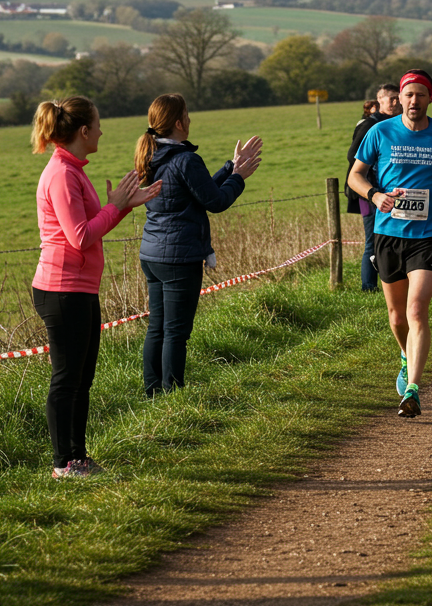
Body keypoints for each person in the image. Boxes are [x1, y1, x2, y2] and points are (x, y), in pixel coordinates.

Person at [31, 96, 162, 478]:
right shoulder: (61, 174)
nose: (103, 130)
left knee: (81, 379)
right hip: (61, 290)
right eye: (99, 124)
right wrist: (115, 205)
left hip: (81, 289)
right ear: (84, 131)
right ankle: (63, 464)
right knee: (67, 378)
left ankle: (78, 457)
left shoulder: (73, 169)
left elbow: (92, 227)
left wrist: (122, 207)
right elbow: (79, 236)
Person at [348, 69, 432, 418]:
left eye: (421, 95)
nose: (414, 101)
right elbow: (355, 175)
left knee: (416, 310)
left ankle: (413, 389)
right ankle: (405, 354)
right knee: (397, 316)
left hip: (429, 235)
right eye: (408, 95)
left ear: (431, 98)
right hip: (388, 235)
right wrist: (376, 195)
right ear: (399, 98)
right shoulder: (379, 132)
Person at [135, 94, 262, 397]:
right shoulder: (186, 159)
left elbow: (197, 190)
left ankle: (153, 393)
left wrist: (231, 166)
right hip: (180, 257)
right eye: (188, 115)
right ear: (179, 122)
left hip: (152, 254)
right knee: (176, 332)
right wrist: (239, 177)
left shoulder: (153, 156)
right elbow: (215, 201)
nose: (190, 120)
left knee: (157, 328)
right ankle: (172, 396)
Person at [347, 84, 402, 291]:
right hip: (366, 193)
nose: (396, 102)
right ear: (380, 101)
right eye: (391, 99)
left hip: (389, 191)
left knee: (389, 238)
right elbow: (352, 156)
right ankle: (368, 287)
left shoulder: (396, 123)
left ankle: (390, 281)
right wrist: (371, 185)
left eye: (398, 98)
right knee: (371, 239)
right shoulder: (370, 124)